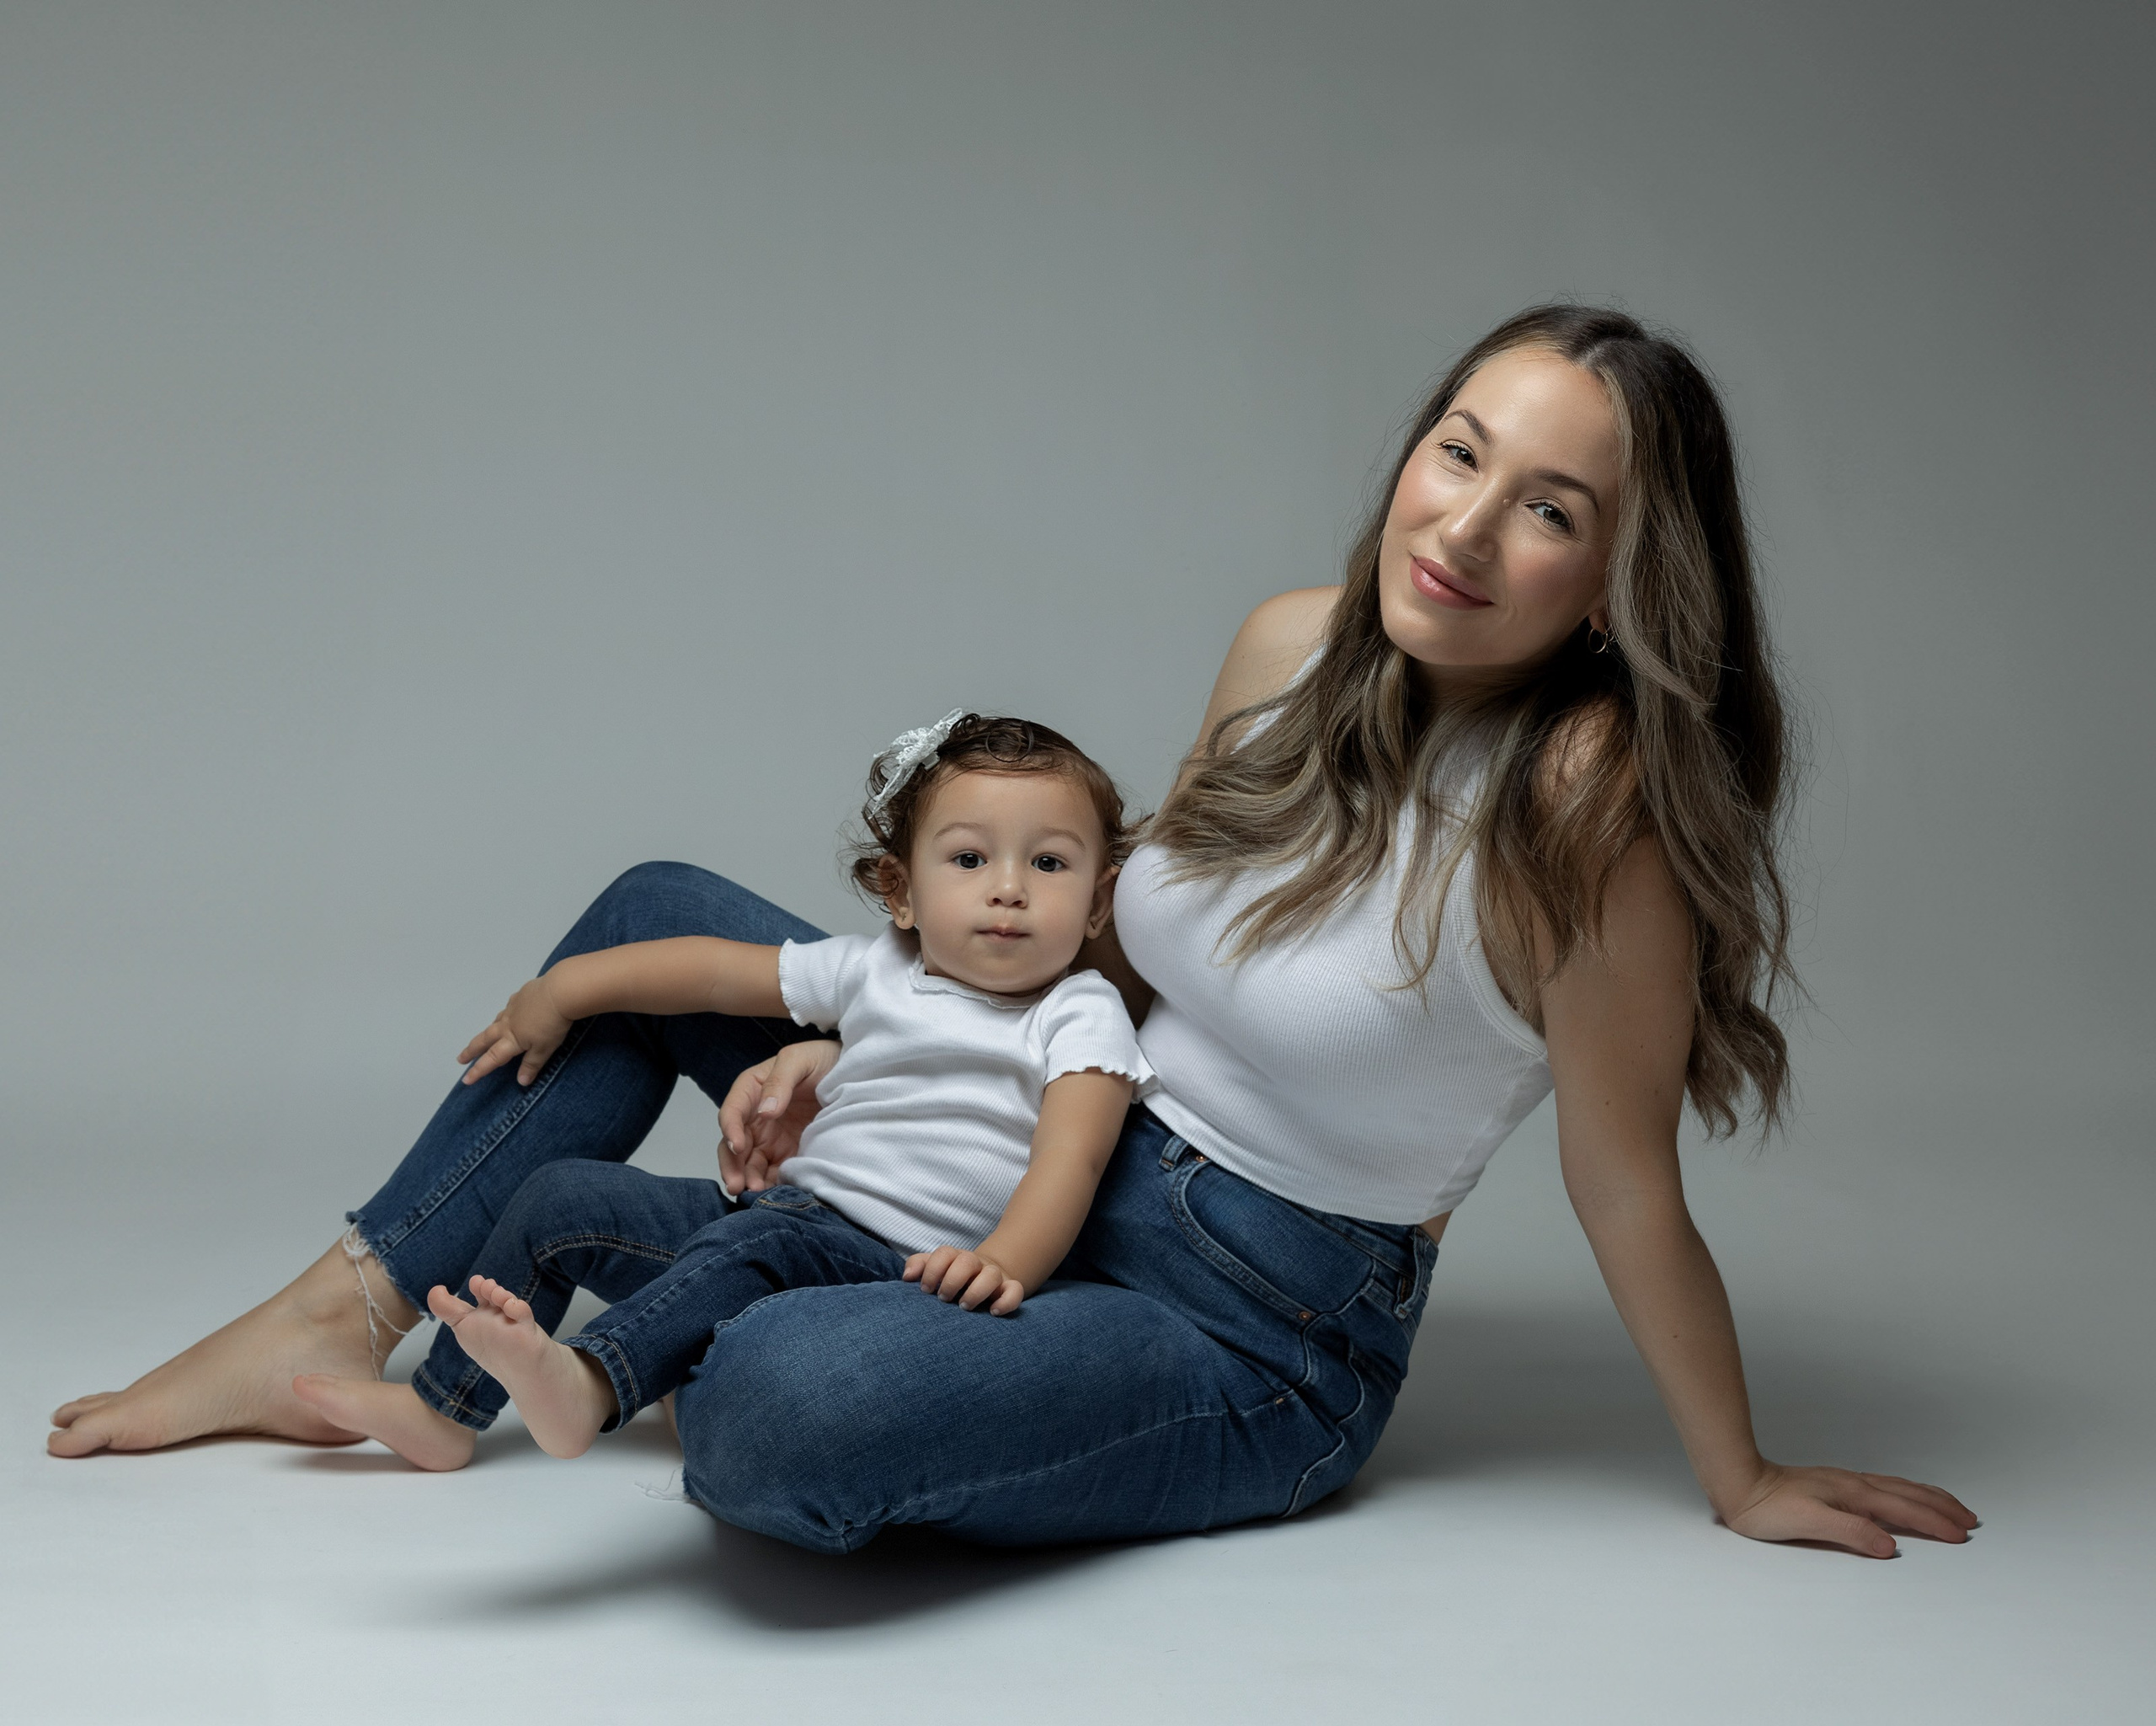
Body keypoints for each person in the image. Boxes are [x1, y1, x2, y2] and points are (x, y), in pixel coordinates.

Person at [48, 304, 1977, 1561]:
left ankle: (717, 1306)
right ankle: (348, 1309)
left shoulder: (1584, 808)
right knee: (653, 920)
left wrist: (1736, 1470)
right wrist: (874, 1038)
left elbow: (1620, 1175)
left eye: (1546, 504)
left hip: (1239, 1316)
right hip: (1049, 1111)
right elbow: (1119, 958)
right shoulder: (1294, 642)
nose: (1461, 525)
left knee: (785, 1429)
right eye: (1456, 446)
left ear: (1614, 578)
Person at [280, 713, 1145, 1471]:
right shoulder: (873, 970)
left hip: (898, 1272)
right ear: (901, 891)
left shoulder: (1078, 1012)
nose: (1008, 887)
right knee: (557, 1198)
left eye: (1049, 863)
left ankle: (590, 1383)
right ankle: (444, 1410)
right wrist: (565, 989)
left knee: (748, 1250)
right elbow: (713, 973)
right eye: (968, 857)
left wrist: (1003, 1264)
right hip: (791, 1226)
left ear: (1099, 903)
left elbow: (1070, 1161)